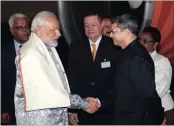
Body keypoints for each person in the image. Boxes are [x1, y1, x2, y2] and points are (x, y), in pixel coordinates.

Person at [14, 11, 100, 125]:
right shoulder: (31, 54)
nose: (59, 34)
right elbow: (49, 92)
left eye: (58, 29)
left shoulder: (45, 47)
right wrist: (84, 104)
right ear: (39, 30)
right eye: (53, 30)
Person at [67, 13, 121, 125]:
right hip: (83, 109)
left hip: (109, 109)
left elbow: (119, 81)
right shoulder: (75, 47)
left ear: (101, 25)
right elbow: (72, 79)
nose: (89, 28)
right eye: (86, 25)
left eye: (93, 25)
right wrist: (73, 109)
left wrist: (103, 102)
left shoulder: (114, 46)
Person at [110, 14, 164, 124]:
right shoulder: (128, 53)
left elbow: (147, 96)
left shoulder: (136, 57)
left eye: (113, 31)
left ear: (127, 31)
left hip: (134, 119)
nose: (110, 35)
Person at [139, 26, 174, 125]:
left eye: (145, 41)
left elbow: (160, 89)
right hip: (143, 110)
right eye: (140, 40)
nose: (141, 44)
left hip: (162, 110)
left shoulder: (161, 61)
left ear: (155, 45)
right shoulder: (138, 59)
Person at [1, 13, 30, 125]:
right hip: (12, 110)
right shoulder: (3, 52)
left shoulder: (40, 48)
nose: (25, 30)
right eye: (20, 28)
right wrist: (2, 109)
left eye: (26, 27)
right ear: (12, 30)